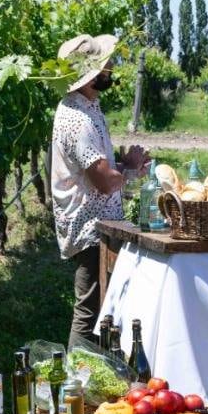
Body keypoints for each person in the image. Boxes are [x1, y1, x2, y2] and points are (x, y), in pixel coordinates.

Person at [50, 33, 148, 351]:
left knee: (102, 303)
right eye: (107, 65)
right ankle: (76, 384)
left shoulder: (88, 106)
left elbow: (94, 167)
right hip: (89, 227)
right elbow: (103, 180)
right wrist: (129, 169)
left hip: (98, 222)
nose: (111, 69)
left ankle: (96, 374)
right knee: (89, 309)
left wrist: (122, 166)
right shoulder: (77, 119)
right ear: (93, 74)